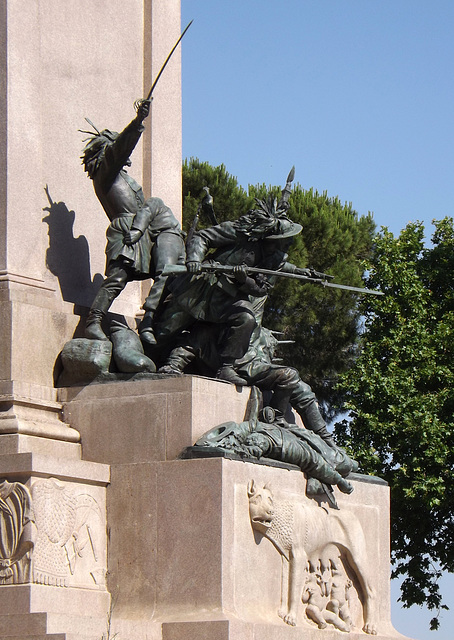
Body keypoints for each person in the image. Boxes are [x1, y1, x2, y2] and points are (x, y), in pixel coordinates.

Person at [154, 192, 312, 384]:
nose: (290, 243)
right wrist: (194, 258)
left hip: (226, 299)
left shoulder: (276, 260)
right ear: (272, 237)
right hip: (198, 290)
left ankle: (226, 368)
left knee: (245, 318)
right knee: (162, 333)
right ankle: (152, 360)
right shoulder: (240, 232)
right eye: (287, 238)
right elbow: (203, 237)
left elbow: (261, 289)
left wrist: (243, 280)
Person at [81, 101, 185, 343]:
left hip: (142, 234)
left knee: (168, 274)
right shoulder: (105, 173)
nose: (124, 156)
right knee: (117, 279)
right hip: (125, 231)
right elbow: (119, 149)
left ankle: (154, 322)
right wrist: (138, 122)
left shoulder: (119, 176)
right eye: (116, 149)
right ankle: (93, 321)